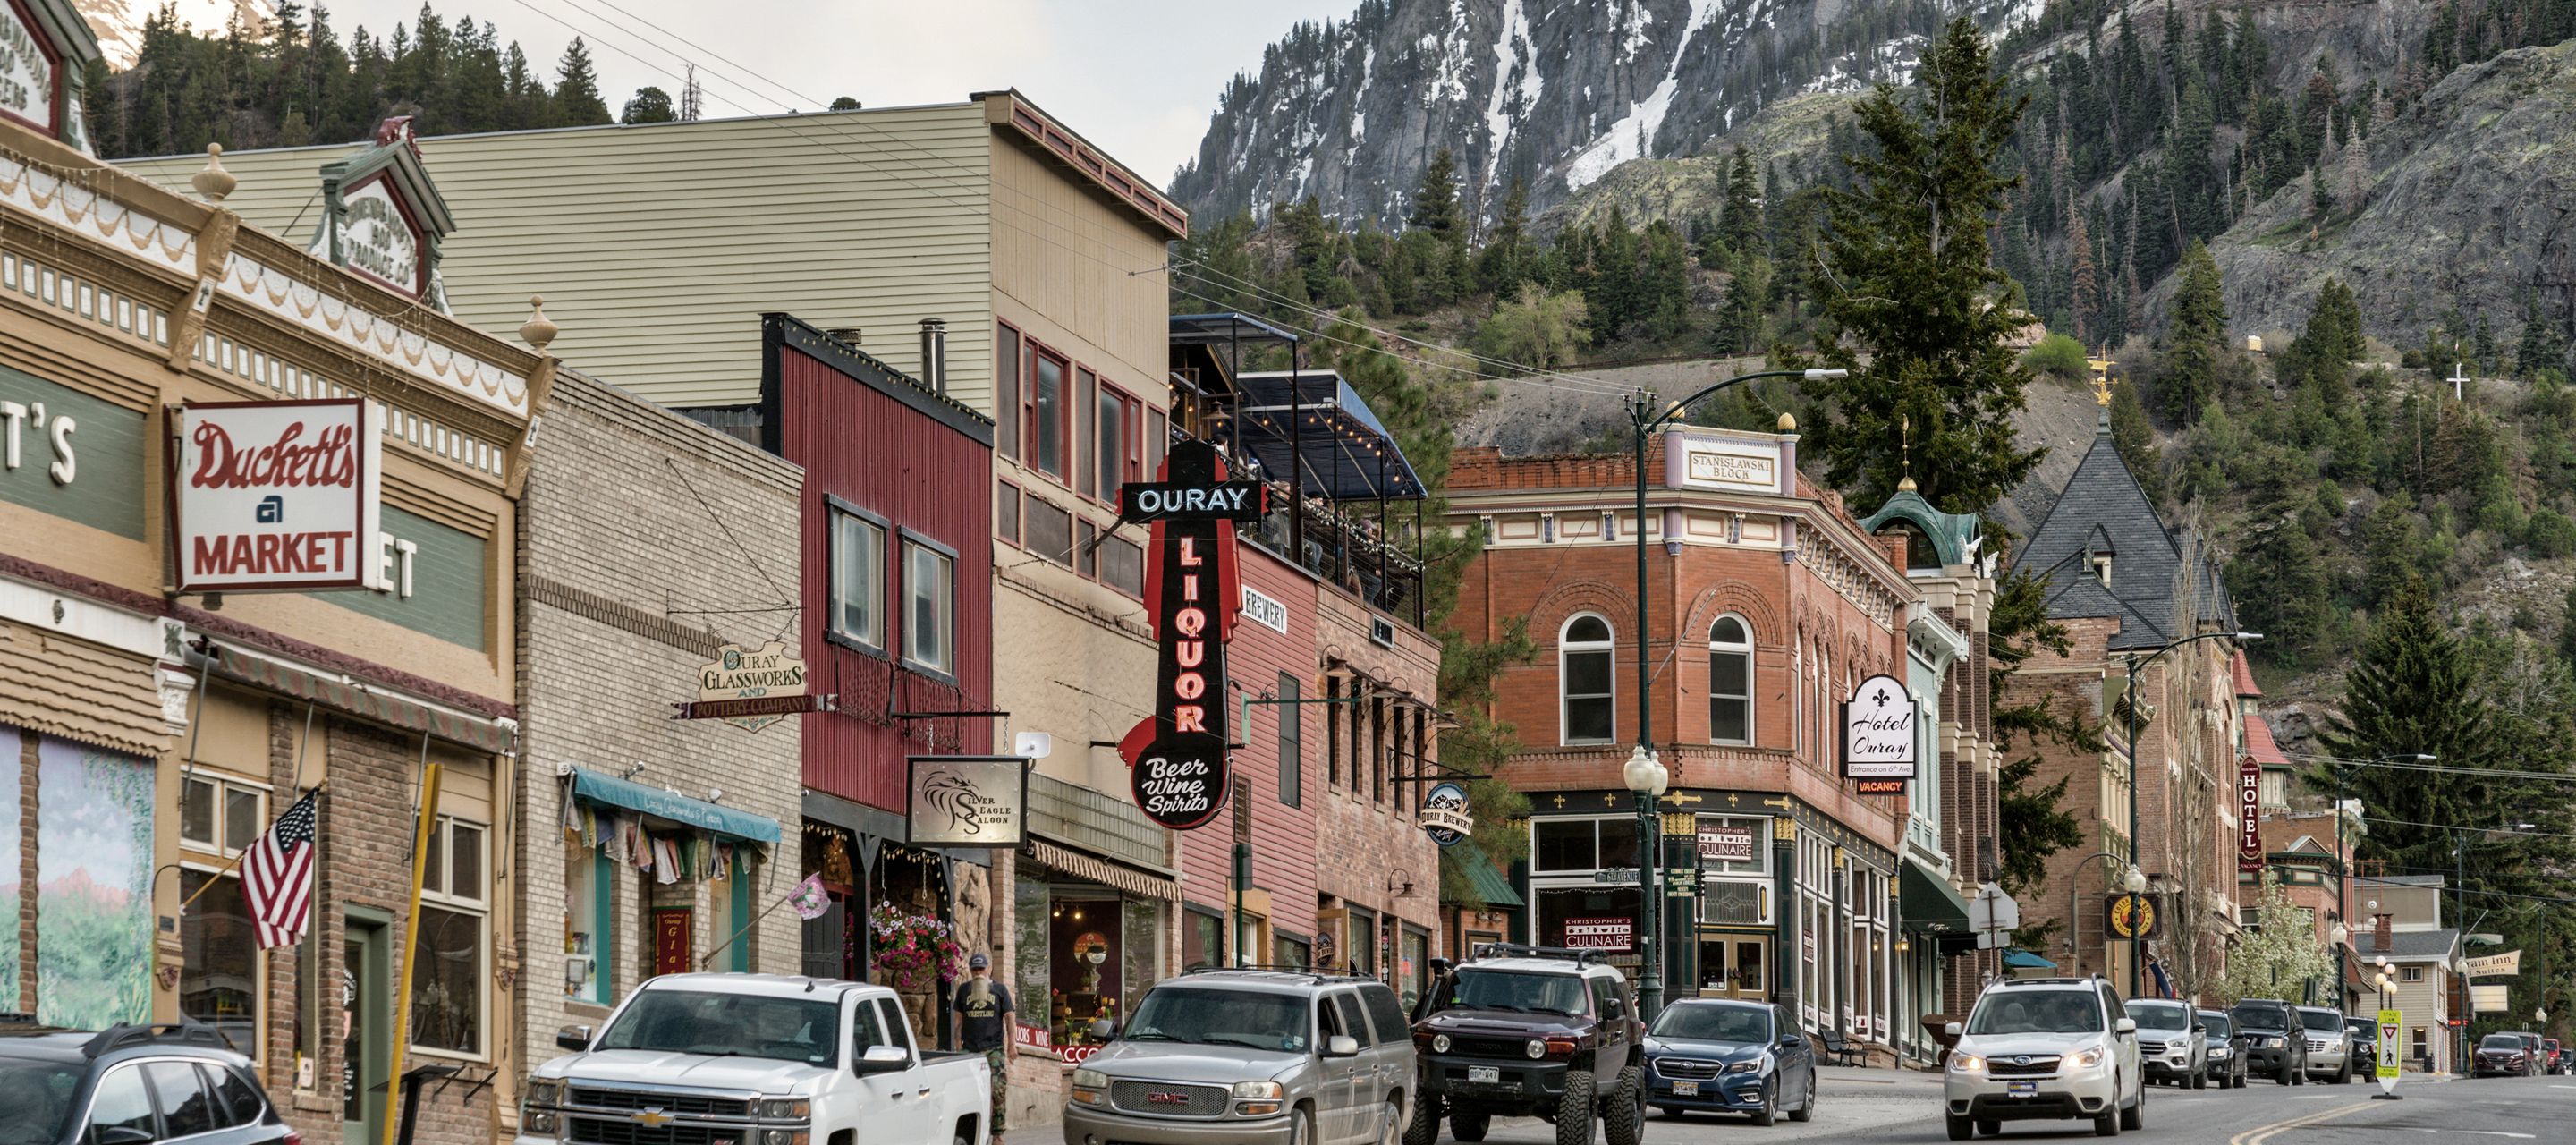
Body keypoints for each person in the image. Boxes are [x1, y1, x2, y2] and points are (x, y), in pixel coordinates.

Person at [953, 952, 1015, 1133]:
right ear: (971, 971)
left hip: (993, 1049)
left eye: (981, 968)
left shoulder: (1000, 990)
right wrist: (957, 1046)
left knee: (998, 1088)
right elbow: (957, 1020)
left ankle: (997, 1133)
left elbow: (1010, 1018)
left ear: (988, 969)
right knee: (962, 1090)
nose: (978, 972)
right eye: (975, 969)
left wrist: (1012, 1045)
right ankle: (967, 1131)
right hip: (969, 1050)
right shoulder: (964, 990)